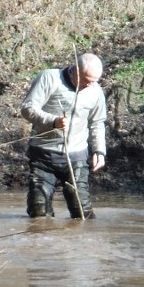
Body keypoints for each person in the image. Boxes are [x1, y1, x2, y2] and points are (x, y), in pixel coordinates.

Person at [20, 52, 107, 219]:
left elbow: (97, 123)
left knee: (82, 212)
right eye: (87, 80)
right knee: (38, 211)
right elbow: (28, 108)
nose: (91, 85)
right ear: (75, 70)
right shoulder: (49, 78)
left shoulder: (95, 91)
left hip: (76, 156)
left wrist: (99, 151)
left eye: (95, 81)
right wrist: (53, 121)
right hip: (43, 154)